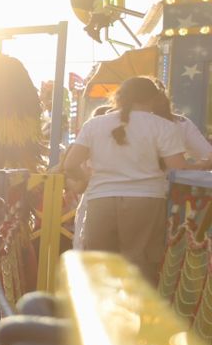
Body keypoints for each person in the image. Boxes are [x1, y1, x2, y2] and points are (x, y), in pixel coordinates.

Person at [64, 76, 187, 279]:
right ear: (154, 99)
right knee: (141, 267)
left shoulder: (94, 125)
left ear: (119, 97)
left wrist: (86, 179)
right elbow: (179, 169)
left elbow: (70, 164)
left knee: (101, 268)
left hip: (100, 200)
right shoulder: (163, 126)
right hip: (146, 200)